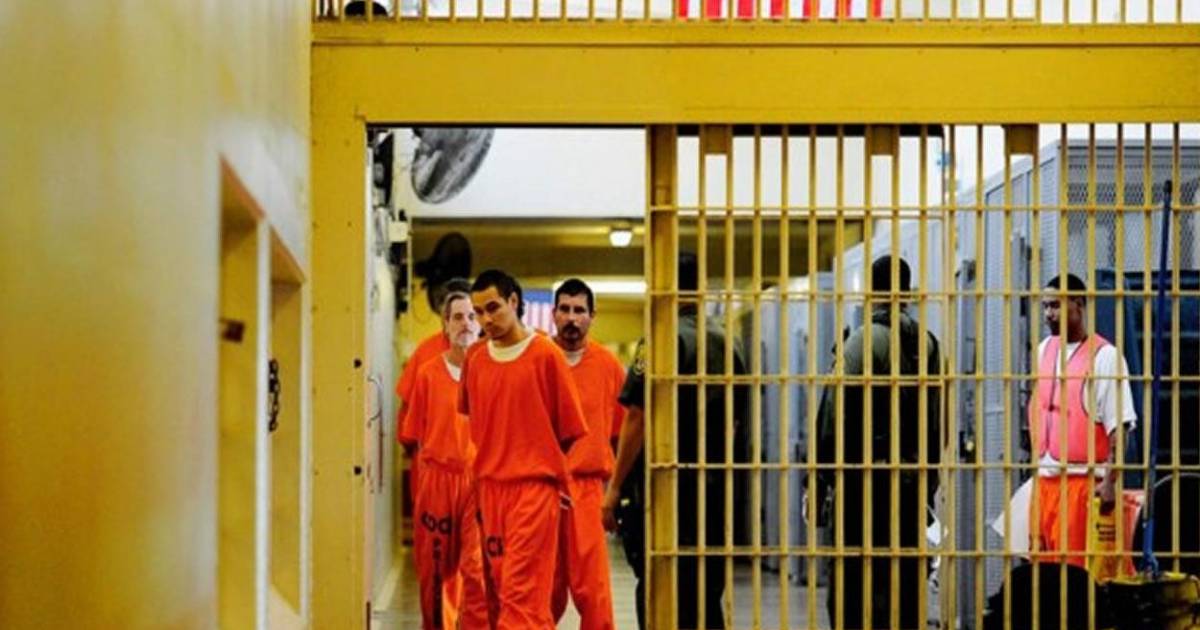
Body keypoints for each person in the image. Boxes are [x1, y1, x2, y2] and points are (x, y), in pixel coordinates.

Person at [602, 253, 748, 630]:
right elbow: (737, 421)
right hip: (713, 488)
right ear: (702, 288)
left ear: (663, 285)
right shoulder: (730, 343)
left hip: (664, 487)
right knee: (705, 593)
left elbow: (637, 417)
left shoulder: (659, 342)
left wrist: (614, 487)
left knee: (658, 588)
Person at [815, 255, 942, 630]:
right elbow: (937, 422)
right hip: (912, 484)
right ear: (908, 293)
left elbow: (832, 419)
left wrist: (823, 477)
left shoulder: (860, 344)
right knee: (904, 585)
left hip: (862, 486)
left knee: (852, 590)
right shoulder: (928, 346)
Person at [459, 269, 589, 629]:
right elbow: (477, 423)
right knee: (502, 594)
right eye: (478, 312)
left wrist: (537, 460)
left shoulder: (545, 355)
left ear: (514, 301)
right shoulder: (476, 359)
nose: (486, 319)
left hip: (533, 490)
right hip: (490, 490)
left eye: (493, 308)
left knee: (522, 597)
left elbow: (569, 430)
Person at [1027, 273, 1137, 567]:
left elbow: (1119, 426)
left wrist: (1110, 481)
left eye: (1055, 305)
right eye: (1045, 306)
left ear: (1078, 304)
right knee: (1043, 574)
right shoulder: (1043, 351)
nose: (1048, 314)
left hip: (1082, 486)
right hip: (1044, 484)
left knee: (1076, 575)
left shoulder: (1105, 357)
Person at [399, 292, 488, 630]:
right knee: (436, 578)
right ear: (445, 325)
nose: (466, 323)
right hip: (438, 480)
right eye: (458, 317)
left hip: (477, 484)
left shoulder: (490, 373)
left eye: (471, 317)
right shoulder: (427, 374)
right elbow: (413, 436)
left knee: (477, 571)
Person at [549, 279, 625, 630]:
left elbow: (621, 434)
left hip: (587, 492)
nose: (571, 318)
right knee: (540, 592)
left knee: (594, 595)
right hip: (542, 491)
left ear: (592, 316)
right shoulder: (539, 359)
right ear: (553, 314)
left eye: (579, 310)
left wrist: (616, 493)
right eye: (565, 309)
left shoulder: (608, 366)